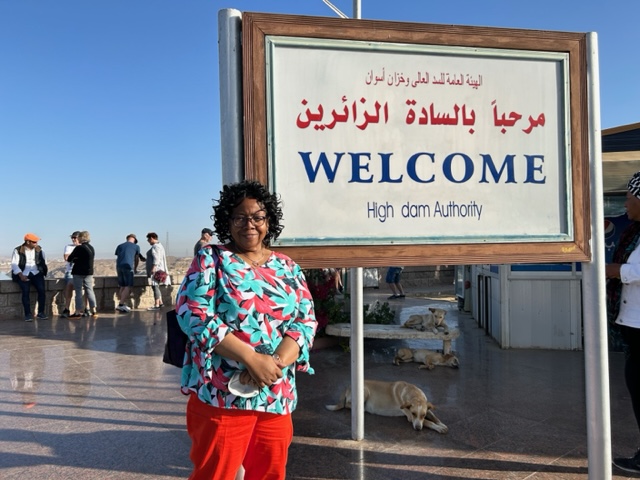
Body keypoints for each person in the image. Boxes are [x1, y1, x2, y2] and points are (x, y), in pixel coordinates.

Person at [175, 180, 317, 480]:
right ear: (227, 221)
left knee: (270, 473)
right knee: (216, 474)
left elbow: (305, 321)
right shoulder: (212, 259)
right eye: (239, 217)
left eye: (257, 217)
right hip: (221, 394)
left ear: (269, 221)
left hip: (274, 393)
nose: (249, 224)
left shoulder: (287, 266)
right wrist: (252, 359)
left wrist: (273, 364)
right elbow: (193, 313)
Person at [607, 171, 640, 475]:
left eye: (630, 198)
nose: (626, 203)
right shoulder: (633, 232)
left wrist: (614, 270)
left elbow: (633, 271)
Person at [11, 233, 48, 321]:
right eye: (34, 242)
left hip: (36, 273)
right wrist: (20, 275)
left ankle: (41, 313)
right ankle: (28, 314)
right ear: (28, 242)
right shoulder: (18, 250)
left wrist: (42, 271)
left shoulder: (39, 250)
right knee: (25, 291)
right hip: (23, 273)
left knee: (42, 291)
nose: (36, 243)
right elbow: (14, 264)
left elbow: (44, 261)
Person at [66, 231, 98, 318]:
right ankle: (94, 310)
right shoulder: (91, 248)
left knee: (78, 291)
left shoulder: (79, 248)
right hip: (89, 272)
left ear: (81, 238)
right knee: (89, 290)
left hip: (78, 272)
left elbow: (69, 258)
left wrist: (75, 259)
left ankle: (77, 312)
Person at [114, 234, 142, 312]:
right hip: (128, 267)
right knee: (128, 286)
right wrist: (135, 268)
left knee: (122, 286)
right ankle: (121, 304)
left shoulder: (120, 246)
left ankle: (121, 303)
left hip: (119, 267)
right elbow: (136, 259)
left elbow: (118, 257)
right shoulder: (136, 247)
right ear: (134, 240)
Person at [145, 232, 170, 311]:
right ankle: (160, 303)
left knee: (155, 286)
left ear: (152, 238)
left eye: (148, 239)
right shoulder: (160, 246)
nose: (148, 241)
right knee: (156, 286)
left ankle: (156, 305)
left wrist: (153, 268)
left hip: (156, 270)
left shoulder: (156, 247)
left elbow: (156, 259)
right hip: (159, 269)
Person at [60, 231, 81, 318]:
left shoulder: (83, 247)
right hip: (70, 271)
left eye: (75, 238)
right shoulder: (68, 247)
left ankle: (81, 309)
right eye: (72, 237)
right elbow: (67, 258)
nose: (73, 239)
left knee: (81, 292)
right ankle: (67, 308)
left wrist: (73, 257)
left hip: (80, 272)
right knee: (69, 289)